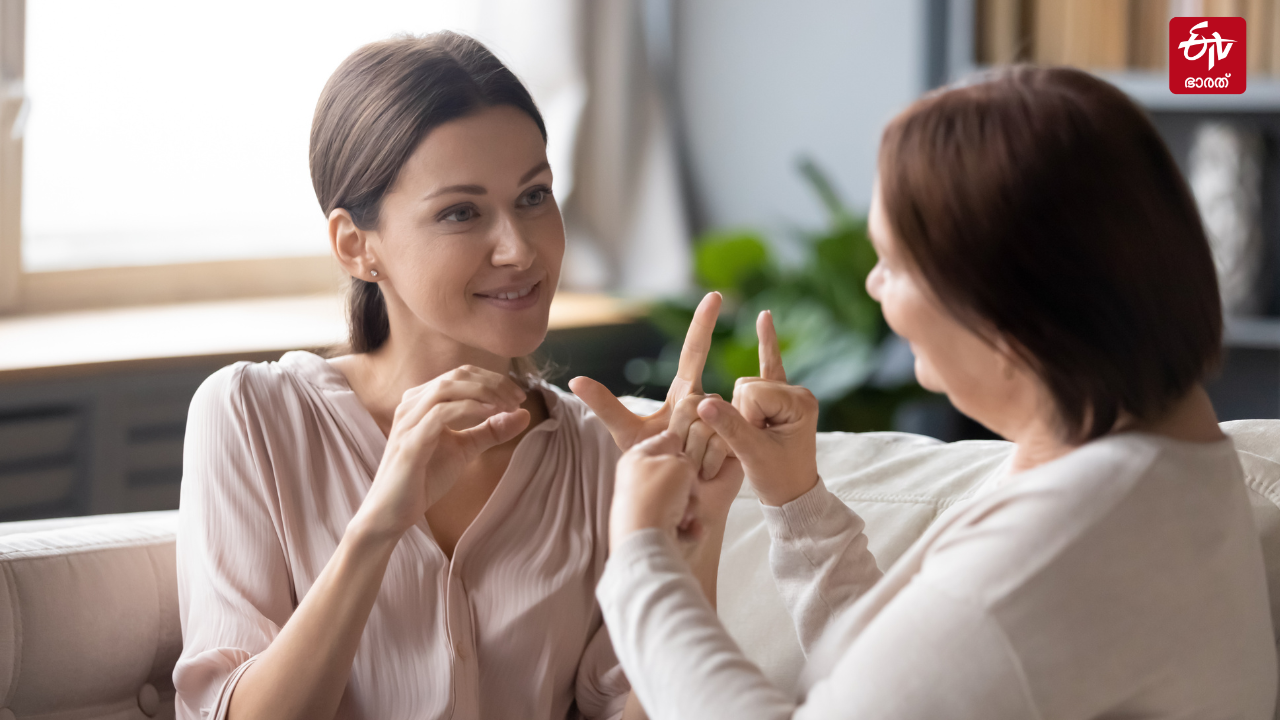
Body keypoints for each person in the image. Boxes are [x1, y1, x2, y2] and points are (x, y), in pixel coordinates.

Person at [596, 66, 1278, 718]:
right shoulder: (1153, 453)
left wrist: (640, 557)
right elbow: (917, 686)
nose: (871, 287)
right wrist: (795, 501)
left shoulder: (1071, 542)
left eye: (891, 264)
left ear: (1006, 312)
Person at [172, 32, 739, 720]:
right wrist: (380, 522)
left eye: (534, 196)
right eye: (461, 212)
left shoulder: (599, 452)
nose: (520, 248)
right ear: (356, 246)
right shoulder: (252, 416)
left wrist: (686, 546)